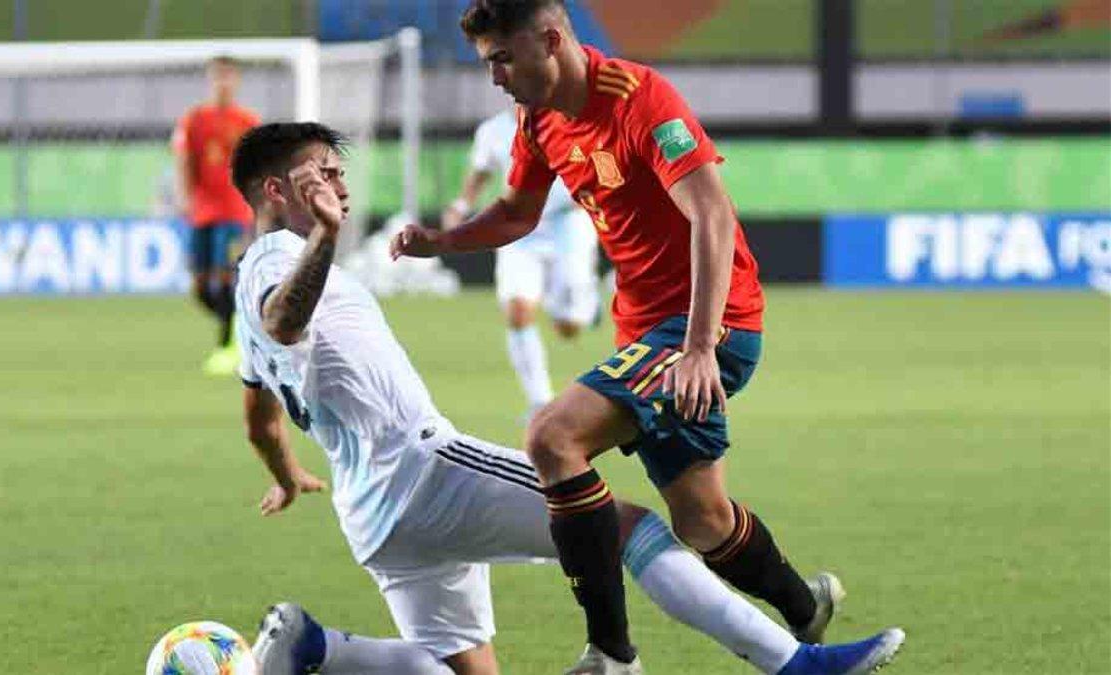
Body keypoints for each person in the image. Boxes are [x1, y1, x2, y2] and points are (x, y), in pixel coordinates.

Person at [232, 121, 903, 675]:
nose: (341, 184)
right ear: (275, 188)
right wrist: (321, 235)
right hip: (425, 469)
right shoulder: (276, 256)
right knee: (623, 526)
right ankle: (794, 662)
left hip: (372, 515)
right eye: (323, 170)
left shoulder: (244, 296)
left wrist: (286, 473)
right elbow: (284, 320)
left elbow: (258, 414)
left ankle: (319, 650)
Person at [390, 2, 906, 672]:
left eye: (501, 58)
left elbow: (712, 215)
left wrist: (697, 348)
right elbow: (516, 212)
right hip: (646, 332)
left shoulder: (639, 99)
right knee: (703, 521)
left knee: (552, 436)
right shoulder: (538, 116)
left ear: (550, 40)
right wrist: (443, 241)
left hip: (711, 324)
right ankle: (803, 605)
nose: (495, 77)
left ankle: (611, 652)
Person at [443, 107, 601, 416]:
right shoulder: (493, 130)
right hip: (519, 228)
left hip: (567, 224)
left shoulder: (572, 119)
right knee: (518, 311)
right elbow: (481, 172)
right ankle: (540, 401)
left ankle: (586, 301)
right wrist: (460, 206)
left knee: (568, 327)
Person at [171, 54, 260, 375]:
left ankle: (227, 347)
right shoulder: (194, 120)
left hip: (234, 211)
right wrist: (184, 197)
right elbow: (183, 159)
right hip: (202, 210)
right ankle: (239, 325)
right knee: (199, 285)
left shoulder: (248, 122)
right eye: (217, 77)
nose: (223, 83)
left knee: (225, 277)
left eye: (228, 77)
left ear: (236, 81)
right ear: (211, 81)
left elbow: (259, 167)